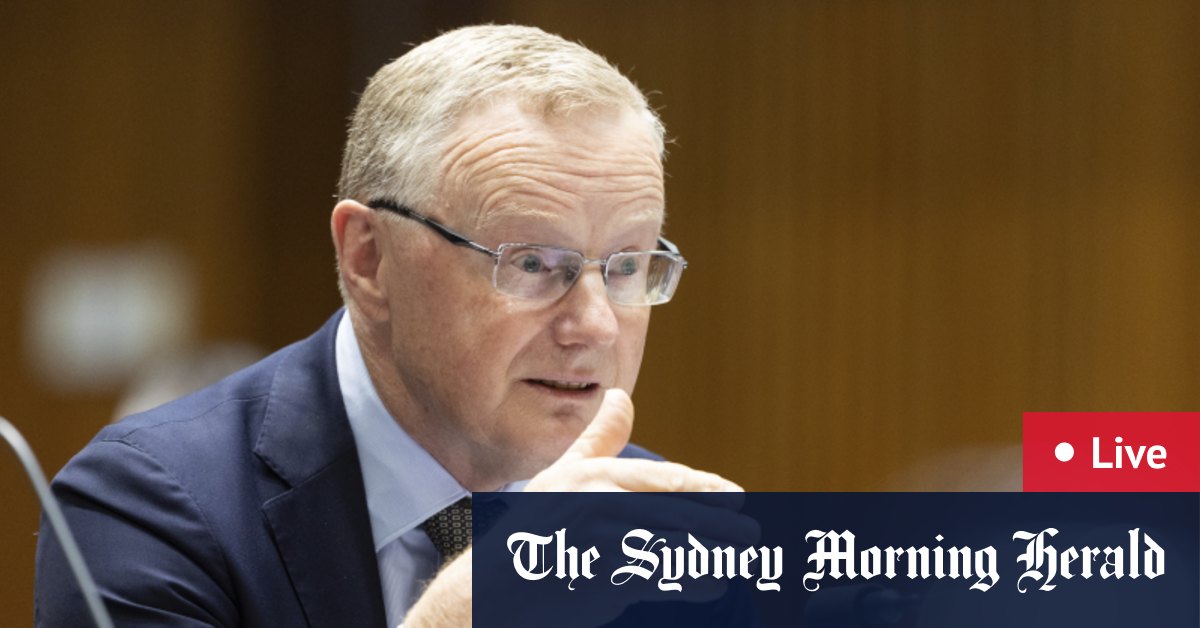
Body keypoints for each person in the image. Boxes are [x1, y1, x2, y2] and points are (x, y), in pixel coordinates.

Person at [34, 24, 741, 628]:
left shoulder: (654, 523)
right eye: (531, 262)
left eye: (627, 266)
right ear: (370, 259)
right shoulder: (146, 504)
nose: (595, 325)